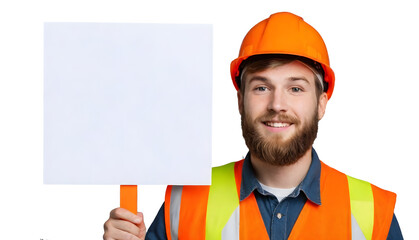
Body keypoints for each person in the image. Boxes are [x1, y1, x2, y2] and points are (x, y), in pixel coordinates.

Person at [103, 12, 403, 240]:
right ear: (240, 100)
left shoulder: (373, 213)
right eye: (261, 87)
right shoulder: (184, 203)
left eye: (295, 89)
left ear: (322, 103)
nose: (276, 104)